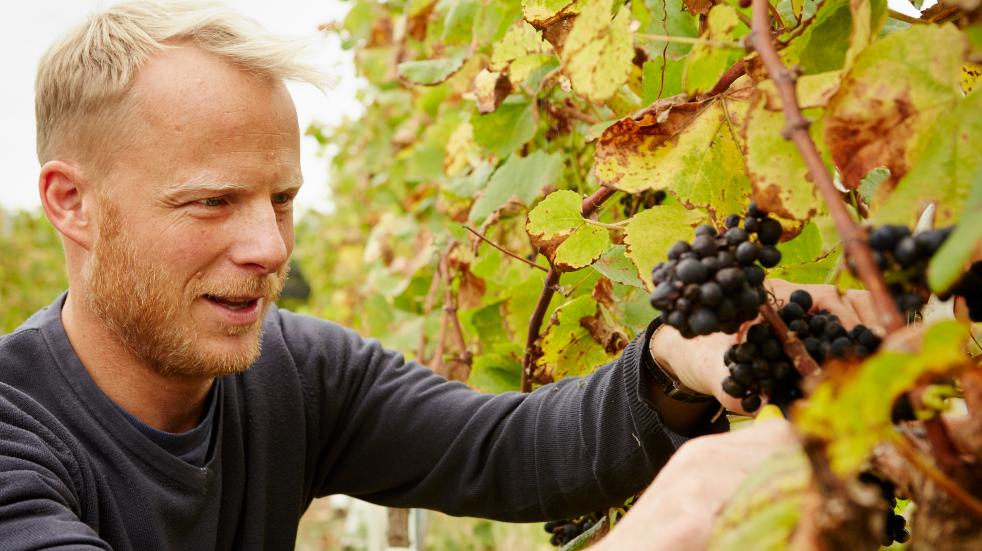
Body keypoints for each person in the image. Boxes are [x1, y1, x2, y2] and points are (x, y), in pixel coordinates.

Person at [0, 2, 880, 549]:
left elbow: (509, 450)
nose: (269, 247)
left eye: (280, 198)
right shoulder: (14, 440)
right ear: (72, 203)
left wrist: (674, 361)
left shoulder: (294, 372)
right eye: (210, 202)